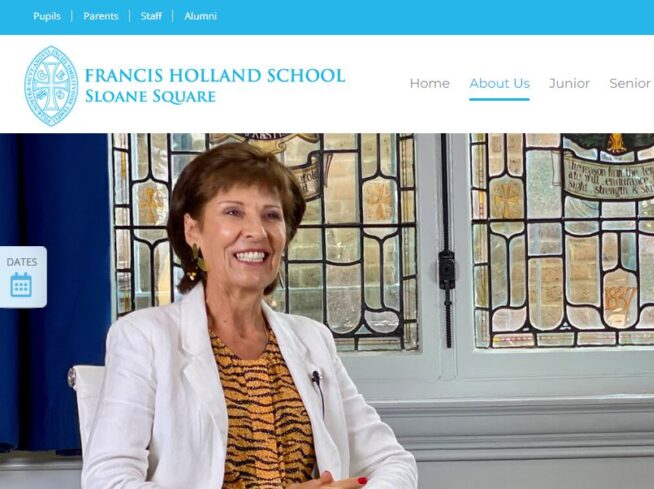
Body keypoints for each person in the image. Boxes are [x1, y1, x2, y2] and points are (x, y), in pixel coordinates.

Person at [82, 143, 417, 489]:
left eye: (271, 215)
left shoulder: (313, 339)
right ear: (192, 230)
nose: (257, 231)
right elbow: (108, 481)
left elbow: (394, 462)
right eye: (233, 212)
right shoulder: (144, 336)